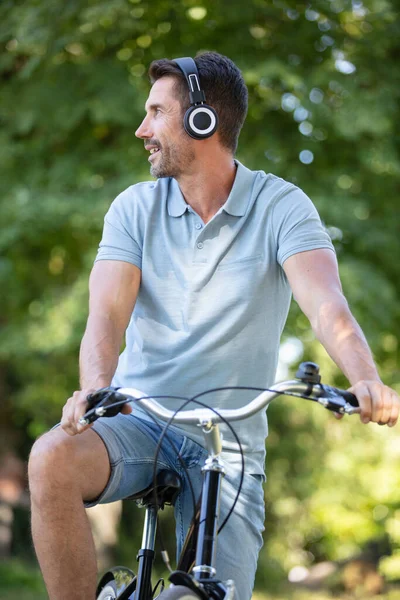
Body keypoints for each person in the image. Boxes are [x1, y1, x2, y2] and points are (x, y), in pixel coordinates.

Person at [28, 52, 399, 600]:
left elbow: (328, 307)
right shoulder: (134, 208)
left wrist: (364, 377)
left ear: (203, 121)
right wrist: (93, 388)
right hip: (141, 419)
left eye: (156, 113)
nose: (141, 129)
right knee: (50, 458)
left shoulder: (282, 206)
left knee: (212, 593)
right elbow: (106, 317)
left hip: (231, 442)